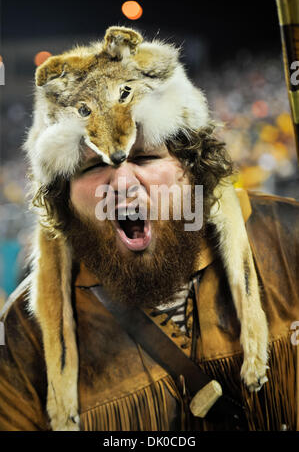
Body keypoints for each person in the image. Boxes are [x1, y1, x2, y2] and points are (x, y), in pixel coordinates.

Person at [0, 27, 298, 432]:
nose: (122, 183)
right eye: (93, 166)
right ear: (63, 196)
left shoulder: (289, 240)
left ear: (191, 164)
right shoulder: (23, 335)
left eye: (145, 158)